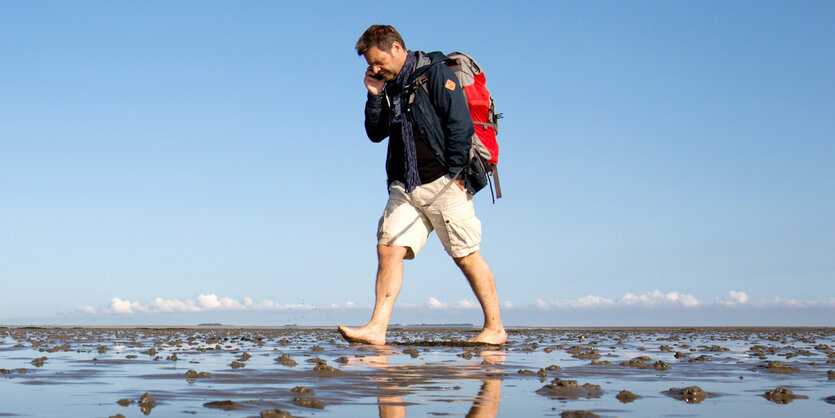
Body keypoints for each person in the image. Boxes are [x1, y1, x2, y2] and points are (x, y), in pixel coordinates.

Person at [338, 25, 507, 346]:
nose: (374, 69)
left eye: (377, 62)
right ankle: (377, 328)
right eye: (369, 64)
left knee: (465, 254)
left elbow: (459, 122)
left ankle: (495, 328)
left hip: (444, 181)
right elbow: (376, 133)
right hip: (405, 184)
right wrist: (373, 95)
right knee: (388, 249)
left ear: (396, 48)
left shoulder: (436, 74)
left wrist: (457, 174)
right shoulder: (390, 87)